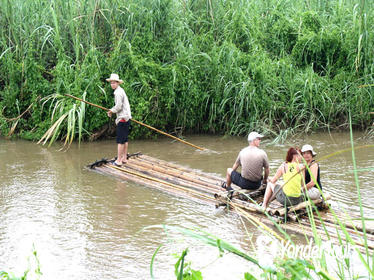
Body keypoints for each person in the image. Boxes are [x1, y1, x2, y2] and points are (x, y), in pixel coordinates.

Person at [106, 73, 132, 166]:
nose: (112, 84)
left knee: (120, 141)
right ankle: (124, 158)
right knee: (125, 139)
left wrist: (111, 111)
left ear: (118, 83)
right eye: (111, 83)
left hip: (122, 119)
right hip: (127, 117)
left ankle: (119, 161)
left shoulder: (117, 93)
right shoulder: (121, 90)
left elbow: (118, 106)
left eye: (114, 83)